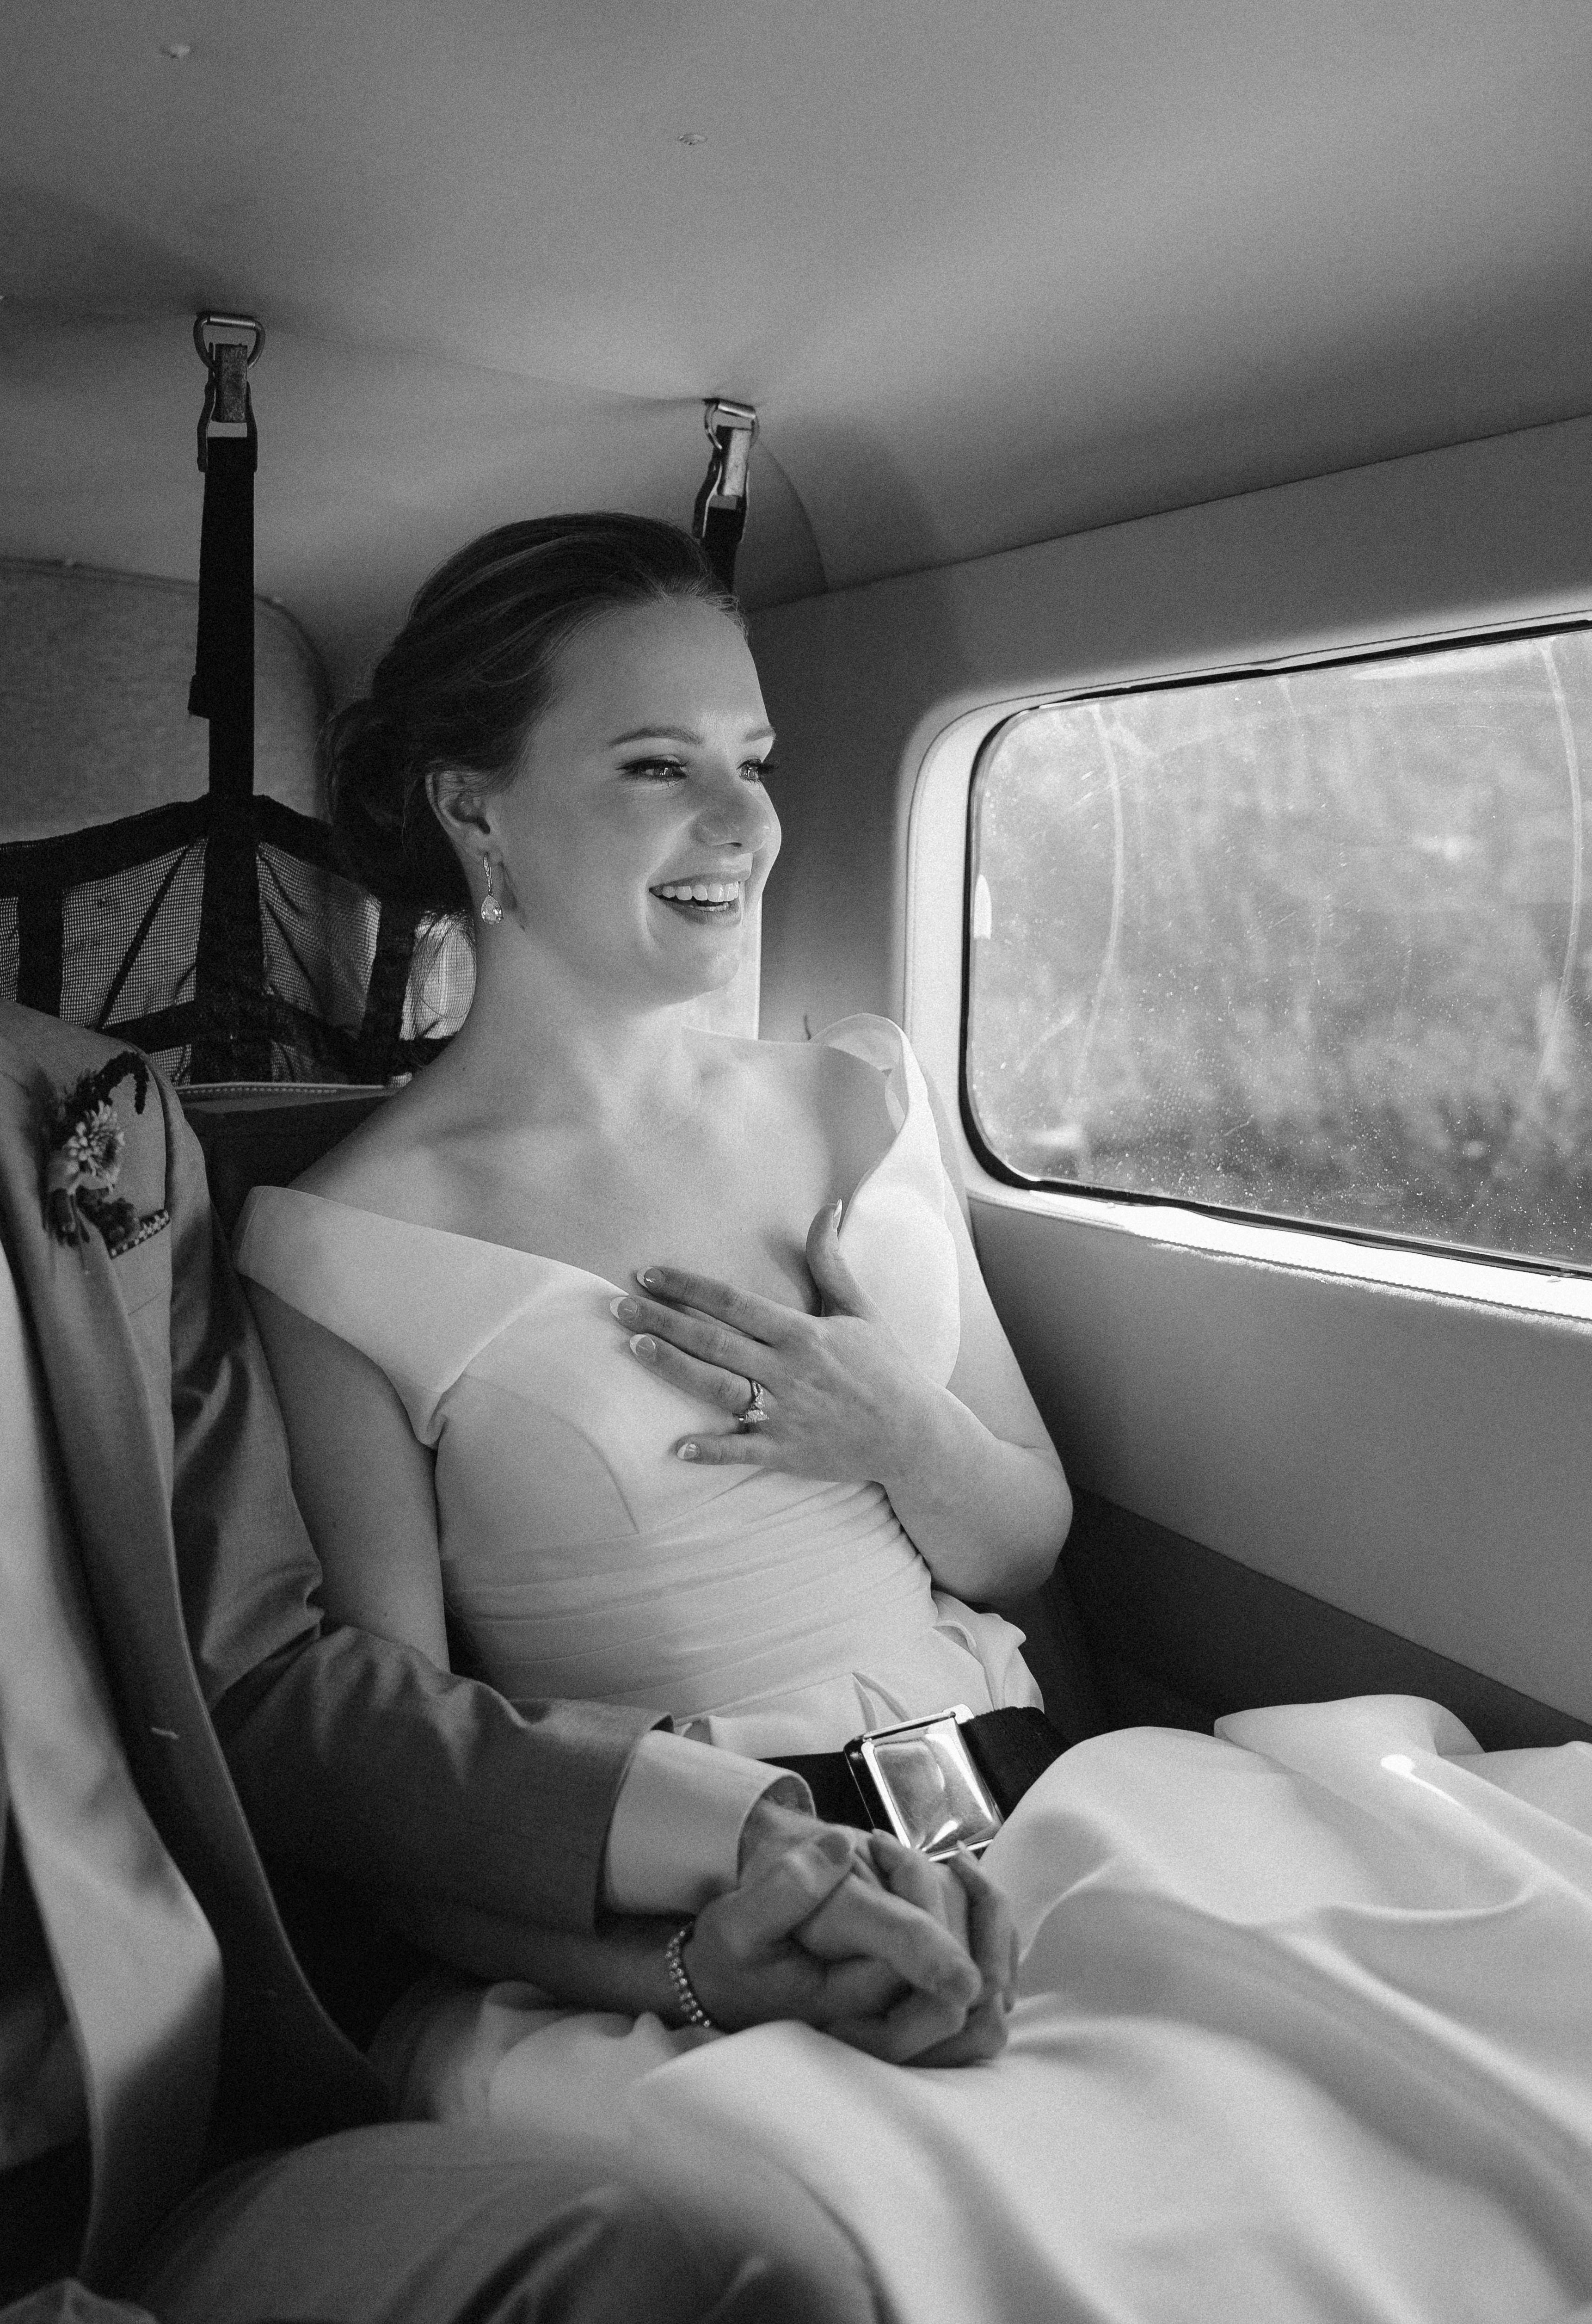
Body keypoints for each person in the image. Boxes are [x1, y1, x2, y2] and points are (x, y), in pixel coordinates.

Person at [0, 301, 1003, 2324]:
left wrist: (744, 1840)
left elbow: (267, 1678)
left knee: (708, 2277)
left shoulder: (101, 1119)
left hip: (192, 2158)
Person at [235, 513, 1592, 2324]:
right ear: (474, 809)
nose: (742, 822)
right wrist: (706, 1962)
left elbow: (1021, 1539)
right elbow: (401, 1794)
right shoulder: (343, 1248)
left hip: (1061, 1812)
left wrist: (892, 1428)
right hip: (728, 1919)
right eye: (657, 765)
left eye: (755, 760)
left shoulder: (854, 1092)